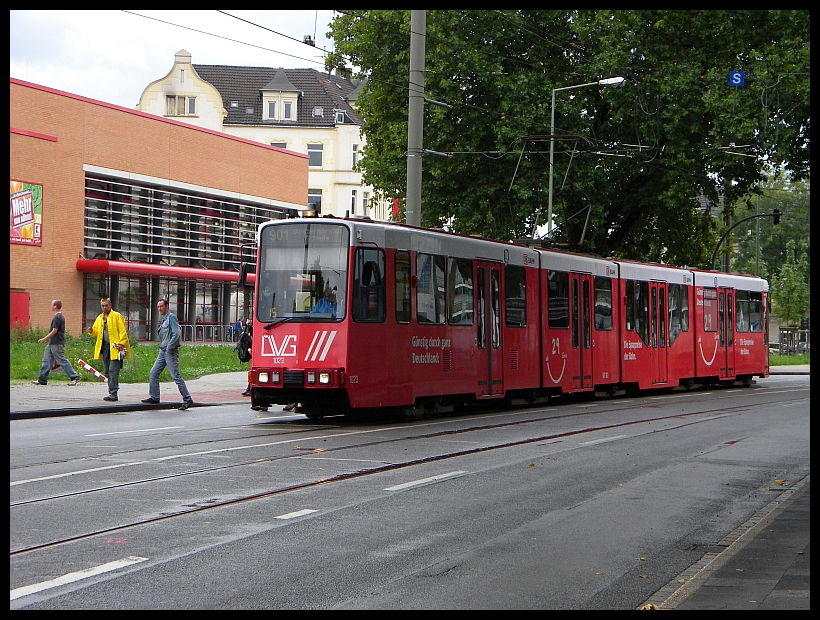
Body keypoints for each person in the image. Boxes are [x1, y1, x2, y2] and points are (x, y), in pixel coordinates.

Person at [141, 299, 194, 410]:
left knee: (176, 376)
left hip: (170, 352)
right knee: (153, 373)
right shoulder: (164, 320)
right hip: (163, 351)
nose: (159, 309)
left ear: (167, 306)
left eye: (161, 306)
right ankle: (154, 397)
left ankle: (187, 399)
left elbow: (176, 333)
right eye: (158, 307)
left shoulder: (171, 318)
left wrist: (170, 347)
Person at [87, 297, 131, 400]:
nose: (104, 307)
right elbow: (97, 332)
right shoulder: (100, 318)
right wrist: (91, 331)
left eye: (106, 305)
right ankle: (111, 391)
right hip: (105, 347)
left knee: (113, 370)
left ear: (110, 305)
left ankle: (113, 393)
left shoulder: (116, 316)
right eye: (102, 306)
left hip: (115, 347)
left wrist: (121, 343)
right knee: (107, 371)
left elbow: (122, 331)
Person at [33, 300, 82, 386]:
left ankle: (74, 377)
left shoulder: (58, 317)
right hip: (52, 343)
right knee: (46, 360)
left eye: (51, 305)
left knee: (61, 360)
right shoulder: (57, 317)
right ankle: (42, 379)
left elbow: (54, 330)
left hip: (57, 343)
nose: (50, 306)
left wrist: (44, 339)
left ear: (55, 306)